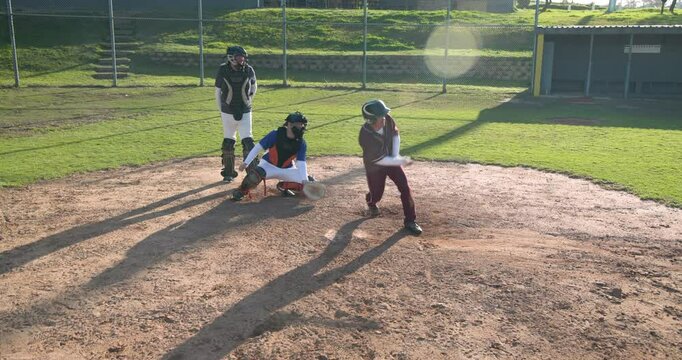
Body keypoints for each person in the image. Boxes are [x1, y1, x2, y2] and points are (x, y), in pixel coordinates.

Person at [358, 99, 422, 235]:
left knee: (405, 187)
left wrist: (396, 156)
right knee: (377, 194)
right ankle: (371, 201)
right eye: (380, 116)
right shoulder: (365, 135)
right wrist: (399, 161)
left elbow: (395, 134)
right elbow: (380, 159)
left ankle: (410, 220)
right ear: (371, 120)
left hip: (390, 161)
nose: (384, 118)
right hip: (375, 165)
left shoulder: (387, 119)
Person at [231, 112, 314, 201]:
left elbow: (301, 163)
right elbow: (258, 148)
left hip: (287, 169)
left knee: (311, 182)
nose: (301, 127)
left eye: (301, 124)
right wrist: (246, 162)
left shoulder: (301, 143)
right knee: (253, 176)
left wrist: (305, 180)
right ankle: (242, 190)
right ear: (289, 124)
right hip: (268, 166)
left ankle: (284, 186)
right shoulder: (276, 134)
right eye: (298, 124)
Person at [215, 45, 258, 183]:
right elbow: (217, 91)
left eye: (243, 56)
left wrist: (249, 100)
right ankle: (228, 173)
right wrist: (221, 109)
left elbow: (254, 86)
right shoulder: (223, 70)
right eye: (239, 56)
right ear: (231, 58)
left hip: (245, 110)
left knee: (248, 141)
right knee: (228, 140)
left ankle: (252, 173)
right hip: (227, 111)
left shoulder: (249, 69)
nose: (242, 59)